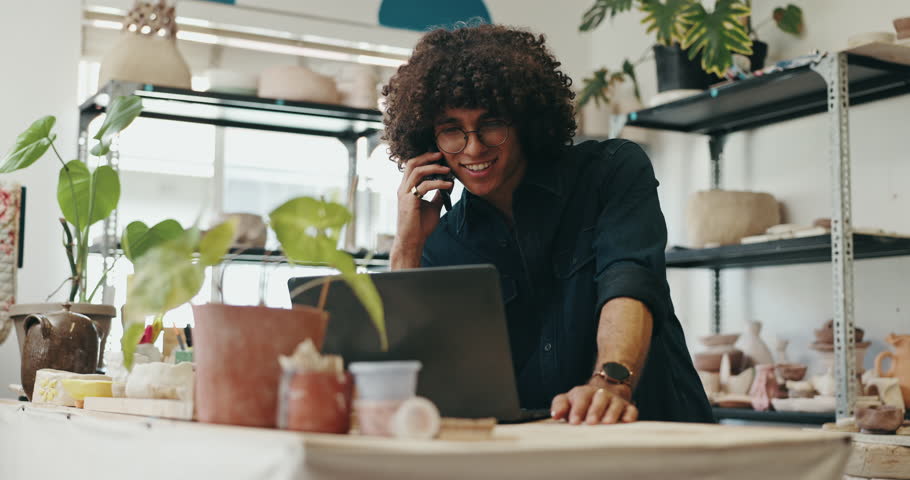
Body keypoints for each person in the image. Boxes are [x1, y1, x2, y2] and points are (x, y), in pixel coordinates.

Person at [383, 23, 713, 425]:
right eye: (452, 130)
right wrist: (406, 247)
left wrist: (609, 383)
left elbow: (629, 281)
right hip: (535, 451)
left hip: (654, 432)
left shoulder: (610, 172)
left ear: (524, 119)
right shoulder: (440, 242)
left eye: (491, 123)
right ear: (430, 142)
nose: (473, 147)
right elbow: (411, 377)